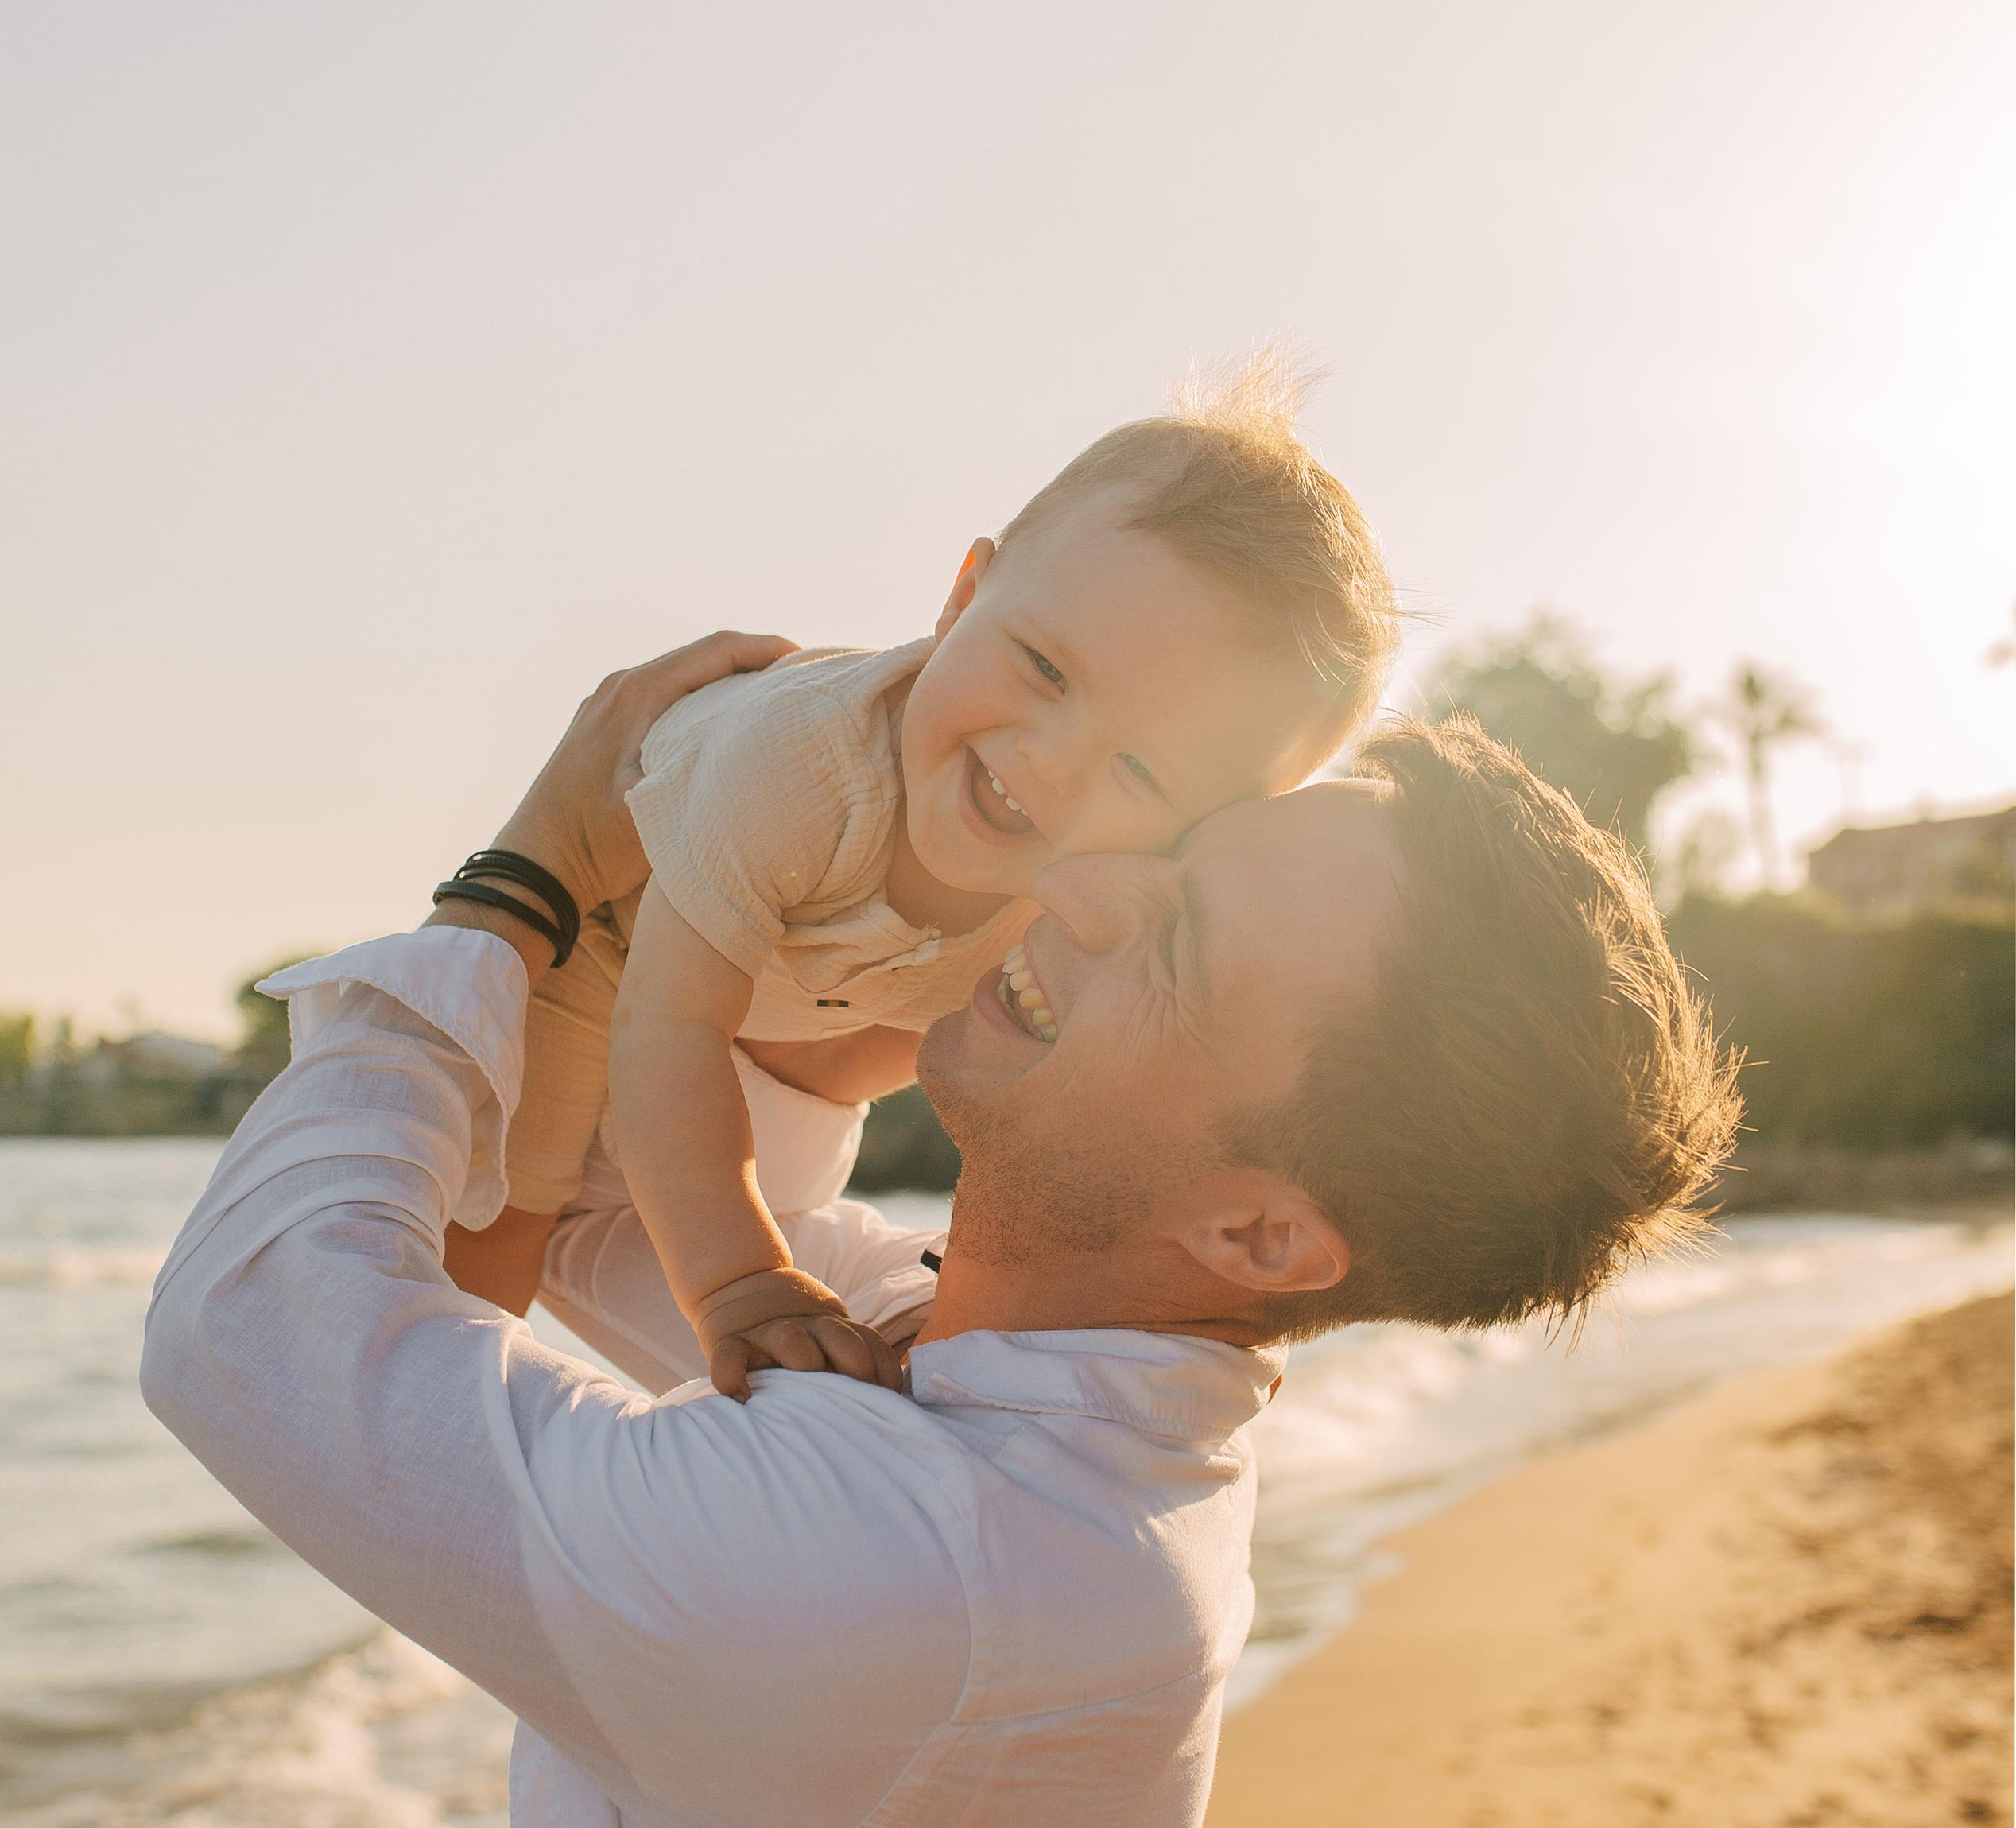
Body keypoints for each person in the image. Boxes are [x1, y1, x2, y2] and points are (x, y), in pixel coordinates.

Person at [142, 631, 1739, 1827]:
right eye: (1169, 855)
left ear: (1259, 1233)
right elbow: (599, 1208)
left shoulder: (919, 1573)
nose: (1086, 886)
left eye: (1173, 939)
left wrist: (529, 870)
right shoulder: (1017, 1410)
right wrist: (811, 934)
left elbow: (249, 1327)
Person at [448, 356, 1400, 1397]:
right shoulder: (795, 767)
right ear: (963, 596)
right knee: (500, 1214)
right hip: (606, 954)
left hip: (793, 1033)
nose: (1050, 759)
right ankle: (439, 1422)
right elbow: (667, 1028)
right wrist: (744, 1288)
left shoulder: (1110, 883)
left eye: (1138, 768)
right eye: (1044, 668)